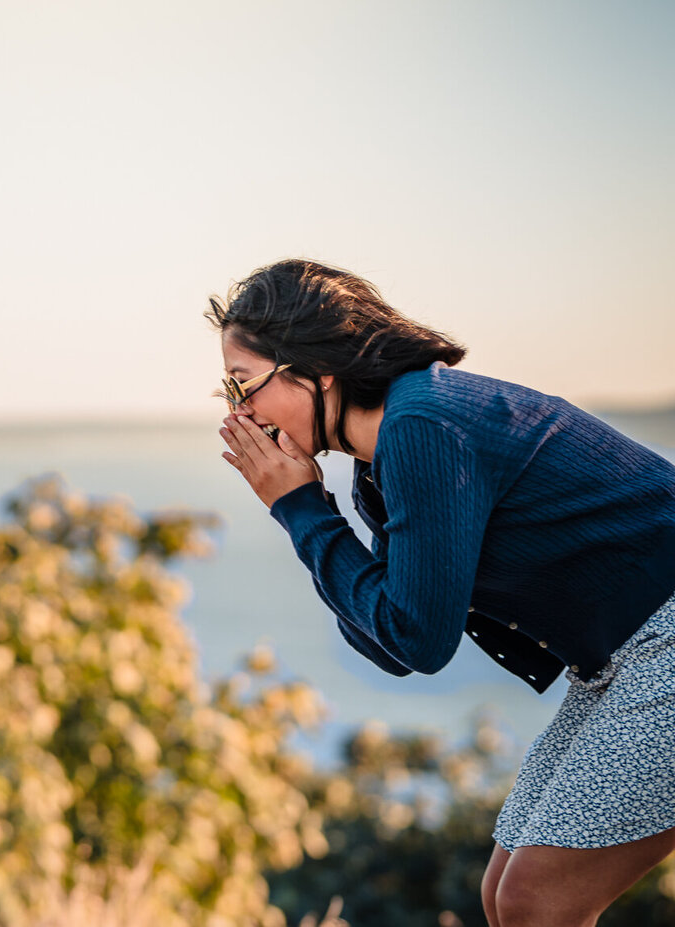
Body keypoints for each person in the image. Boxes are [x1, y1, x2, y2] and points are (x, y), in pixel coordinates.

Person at [209, 258, 675, 927]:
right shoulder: (386, 458)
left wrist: (303, 509)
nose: (239, 412)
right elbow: (393, 642)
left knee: (535, 900)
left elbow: (416, 639)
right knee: (505, 895)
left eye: (243, 385)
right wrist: (304, 511)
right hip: (620, 660)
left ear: (316, 366)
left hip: (663, 641)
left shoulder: (422, 426)